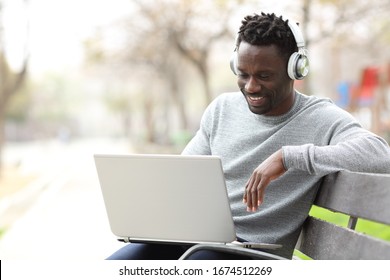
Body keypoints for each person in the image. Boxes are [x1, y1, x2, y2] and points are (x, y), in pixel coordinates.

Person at [107, 12, 390, 260]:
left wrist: (288, 157)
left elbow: (380, 154)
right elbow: (185, 174)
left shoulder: (321, 117)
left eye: (264, 76)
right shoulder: (221, 109)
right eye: (243, 74)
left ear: (295, 70)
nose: (251, 86)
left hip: (252, 254)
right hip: (199, 240)